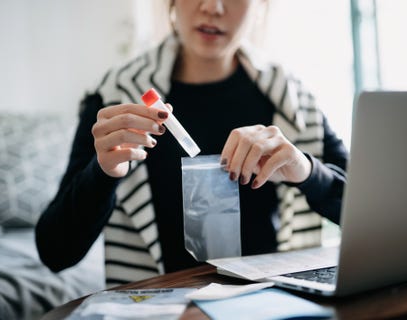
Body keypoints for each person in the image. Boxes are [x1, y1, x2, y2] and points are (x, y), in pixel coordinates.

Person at [36, 0, 348, 287]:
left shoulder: (292, 100)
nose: (212, 7)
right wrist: (103, 173)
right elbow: (55, 253)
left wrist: (306, 171)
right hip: (161, 309)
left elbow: (374, 217)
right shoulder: (117, 96)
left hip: (272, 301)